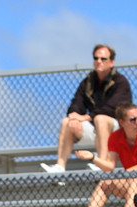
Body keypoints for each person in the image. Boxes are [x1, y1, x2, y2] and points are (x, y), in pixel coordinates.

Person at [41, 44, 132, 173]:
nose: (99, 61)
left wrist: (86, 117)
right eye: (96, 58)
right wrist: (74, 117)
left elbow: (113, 108)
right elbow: (77, 102)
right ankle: (59, 167)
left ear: (111, 62)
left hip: (117, 132)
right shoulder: (88, 81)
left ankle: (103, 163)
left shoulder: (120, 82)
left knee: (101, 119)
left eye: (103, 59)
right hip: (95, 131)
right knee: (66, 122)